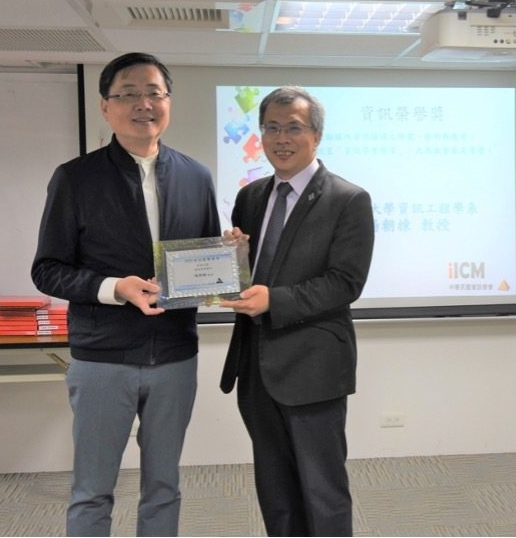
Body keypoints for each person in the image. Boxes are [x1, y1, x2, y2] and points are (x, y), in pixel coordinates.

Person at [31, 52, 221, 537]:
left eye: (154, 93)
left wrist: (228, 261)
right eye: (129, 94)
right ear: (105, 106)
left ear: (168, 102)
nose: (144, 104)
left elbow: (205, 264)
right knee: (92, 490)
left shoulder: (196, 177)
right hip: (102, 358)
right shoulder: (76, 178)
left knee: (164, 486)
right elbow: (47, 270)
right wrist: (114, 288)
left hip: (175, 356)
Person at [219, 86, 375, 536]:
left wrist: (276, 300)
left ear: (316, 135)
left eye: (293, 128)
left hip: (313, 367)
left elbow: (345, 283)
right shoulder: (251, 196)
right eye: (271, 128)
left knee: (322, 491)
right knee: (275, 490)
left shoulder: (348, 199)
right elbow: (248, 278)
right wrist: (234, 258)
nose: (281, 138)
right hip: (255, 367)